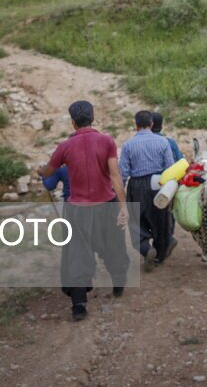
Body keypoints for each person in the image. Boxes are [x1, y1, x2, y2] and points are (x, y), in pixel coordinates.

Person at [37, 101, 129, 321]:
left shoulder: (65, 146)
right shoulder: (107, 141)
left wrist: (40, 170)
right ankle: (118, 283)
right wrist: (123, 207)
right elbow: (115, 176)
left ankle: (79, 305)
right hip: (106, 204)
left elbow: (48, 172)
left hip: (77, 209)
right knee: (113, 245)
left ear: (73, 122)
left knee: (77, 252)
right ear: (92, 118)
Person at [119, 110, 178, 272]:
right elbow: (170, 168)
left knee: (136, 220)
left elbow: (123, 173)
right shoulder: (163, 142)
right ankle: (161, 252)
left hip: (137, 185)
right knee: (161, 219)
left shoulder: (128, 145)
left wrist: (119, 192)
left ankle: (145, 248)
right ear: (152, 124)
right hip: (158, 182)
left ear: (136, 125)